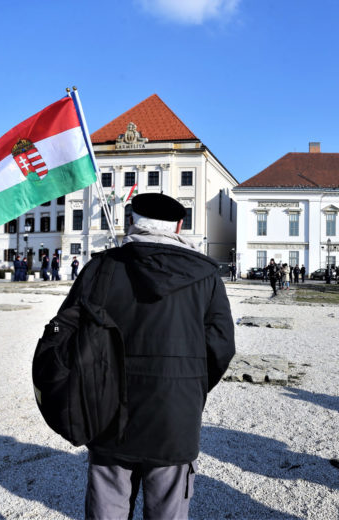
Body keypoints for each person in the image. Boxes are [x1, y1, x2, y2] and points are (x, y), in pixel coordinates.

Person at [68, 192, 235, 520]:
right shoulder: (205, 275)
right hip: (175, 411)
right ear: (180, 225)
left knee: (107, 510)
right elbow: (221, 347)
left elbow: (69, 339)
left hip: (108, 411)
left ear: (132, 221)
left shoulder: (101, 268)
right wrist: (190, 386)